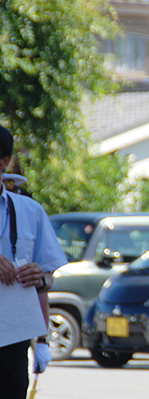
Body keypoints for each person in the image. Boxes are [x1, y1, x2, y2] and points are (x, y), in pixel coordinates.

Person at [0, 127, 68, 399]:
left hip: (12, 336)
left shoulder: (30, 211)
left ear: (4, 162)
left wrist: (42, 341)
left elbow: (46, 281)